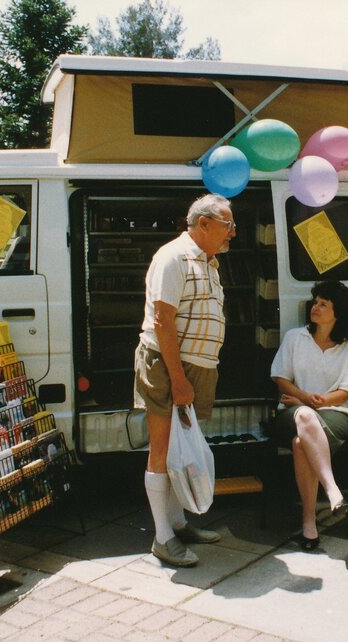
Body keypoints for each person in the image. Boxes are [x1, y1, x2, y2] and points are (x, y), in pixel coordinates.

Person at [134, 193, 236, 567]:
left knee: (183, 448)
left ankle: (177, 523)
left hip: (194, 367)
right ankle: (162, 538)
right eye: (228, 225)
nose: (233, 233)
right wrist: (178, 379)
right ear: (203, 224)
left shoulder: (209, 261)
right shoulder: (173, 257)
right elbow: (162, 322)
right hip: (167, 365)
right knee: (162, 449)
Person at [271, 280, 348, 551]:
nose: (316, 307)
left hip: (334, 414)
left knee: (301, 445)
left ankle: (309, 525)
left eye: (324, 304)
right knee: (305, 418)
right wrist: (305, 400)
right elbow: (280, 377)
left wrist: (313, 402)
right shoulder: (295, 338)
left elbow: (346, 391)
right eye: (315, 302)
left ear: (338, 313)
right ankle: (332, 488)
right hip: (293, 413)